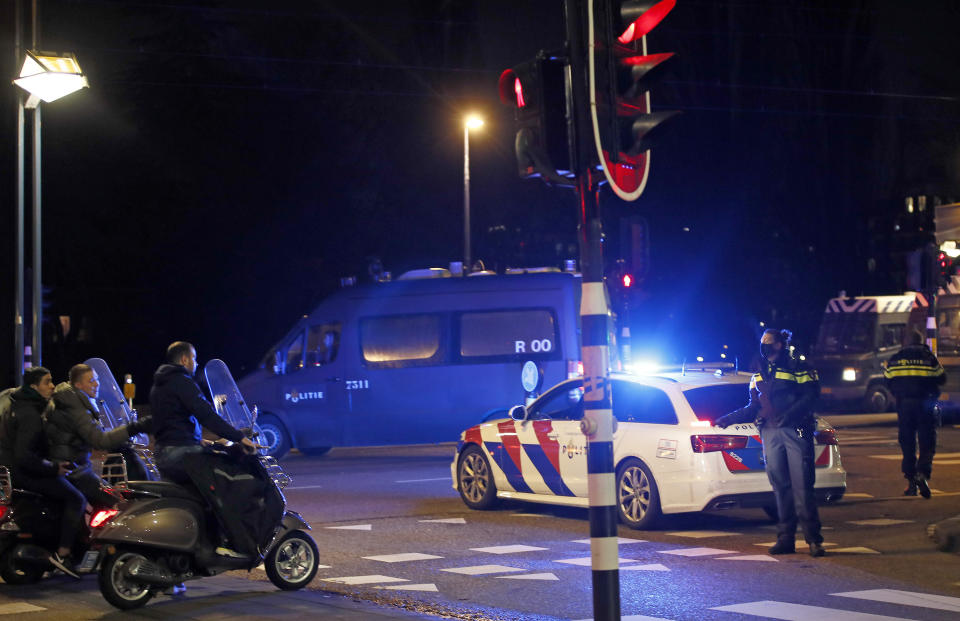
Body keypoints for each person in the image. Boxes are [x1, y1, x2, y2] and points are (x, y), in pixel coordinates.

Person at [716, 329, 826, 557]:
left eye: (769, 343)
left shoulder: (799, 367)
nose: (765, 346)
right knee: (780, 489)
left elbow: (811, 396)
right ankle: (786, 539)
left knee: (802, 489)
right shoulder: (759, 372)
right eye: (762, 343)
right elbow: (753, 406)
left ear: (781, 344)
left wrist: (792, 415)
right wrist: (729, 419)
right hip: (770, 433)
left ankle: (814, 541)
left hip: (795, 430)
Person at [149, 341, 257, 558]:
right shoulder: (181, 382)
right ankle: (225, 544)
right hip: (181, 455)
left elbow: (169, 422)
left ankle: (191, 550)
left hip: (165, 453)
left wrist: (198, 441)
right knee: (223, 485)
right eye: (194, 358)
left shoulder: (159, 385)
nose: (196, 363)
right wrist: (239, 437)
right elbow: (205, 413)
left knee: (192, 500)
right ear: (184, 360)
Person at [0, 367, 83, 578]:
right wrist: (53, 468)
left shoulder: (15, 404)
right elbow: (24, 456)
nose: (52, 386)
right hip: (24, 474)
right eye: (47, 382)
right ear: (33, 387)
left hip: (11, 471)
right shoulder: (31, 415)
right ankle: (64, 553)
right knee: (76, 498)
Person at [45, 363, 152, 507]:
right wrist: (135, 427)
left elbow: (90, 431)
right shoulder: (75, 406)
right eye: (91, 381)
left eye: (97, 379)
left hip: (75, 466)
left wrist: (116, 432)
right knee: (116, 503)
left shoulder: (72, 399)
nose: (96, 384)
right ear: (78, 385)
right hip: (73, 470)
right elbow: (99, 440)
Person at [884, 330, 946, 499]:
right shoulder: (928, 357)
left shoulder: (896, 358)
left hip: (904, 405)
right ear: (920, 341)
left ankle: (911, 483)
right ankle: (922, 474)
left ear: (906, 341)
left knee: (907, 443)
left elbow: (887, 379)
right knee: (927, 441)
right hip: (925, 404)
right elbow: (942, 378)